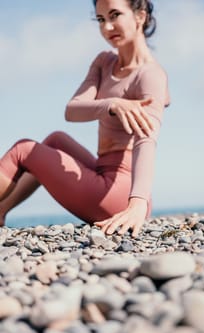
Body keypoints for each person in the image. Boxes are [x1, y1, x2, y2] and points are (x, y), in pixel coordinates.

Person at [0, 0, 170, 237]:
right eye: (101, 19)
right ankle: (2, 209)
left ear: (139, 16)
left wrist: (138, 203)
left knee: (24, 150)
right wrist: (112, 104)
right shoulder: (104, 62)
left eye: (115, 15)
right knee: (56, 139)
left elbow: (146, 139)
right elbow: (72, 110)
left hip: (121, 193)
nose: (107, 27)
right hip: (103, 172)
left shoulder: (151, 75)